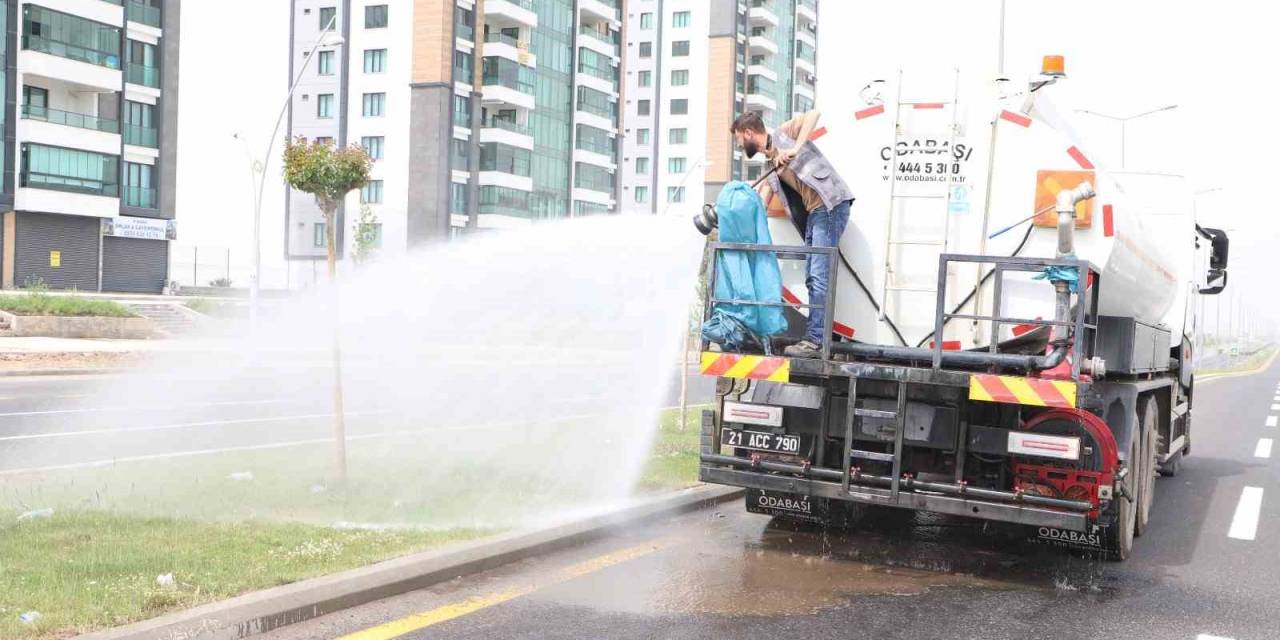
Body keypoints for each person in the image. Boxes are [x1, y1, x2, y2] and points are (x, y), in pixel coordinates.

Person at [730, 110, 854, 358]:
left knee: (819, 276)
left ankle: (817, 341)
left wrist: (795, 149)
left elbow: (814, 114)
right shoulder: (770, 166)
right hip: (816, 213)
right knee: (813, 276)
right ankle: (817, 338)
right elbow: (761, 200)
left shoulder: (783, 134)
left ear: (748, 132)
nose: (739, 145)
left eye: (738, 140)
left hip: (829, 205)